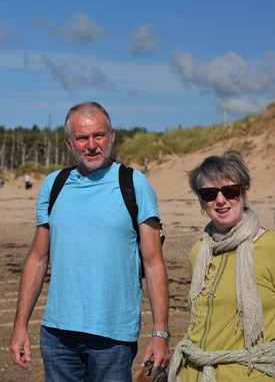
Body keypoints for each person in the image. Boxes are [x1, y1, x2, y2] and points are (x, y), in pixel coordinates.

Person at [10, 101, 170, 381]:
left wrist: (160, 334)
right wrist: (20, 325)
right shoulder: (54, 184)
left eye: (99, 135)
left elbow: (153, 262)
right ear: (69, 142)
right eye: (82, 137)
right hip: (56, 336)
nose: (91, 145)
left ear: (113, 135)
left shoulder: (134, 183)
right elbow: (37, 258)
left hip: (113, 338)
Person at [168, 150, 275, 381]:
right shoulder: (199, 252)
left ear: (245, 192)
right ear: (201, 201)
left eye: (229, 191)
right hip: (194, 374)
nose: (220, 200)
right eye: (209, 193)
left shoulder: (270, 247)